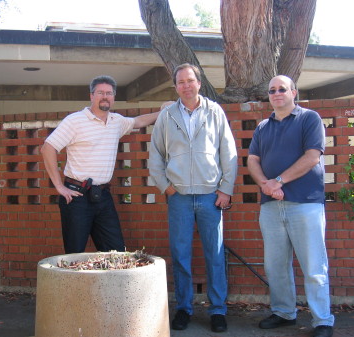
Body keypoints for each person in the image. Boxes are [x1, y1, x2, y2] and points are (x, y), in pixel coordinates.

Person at [149, 63, 237, 333]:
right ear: (175, 86)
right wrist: (167, 187)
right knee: (181, 255)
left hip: (211, 196)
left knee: (215, 255)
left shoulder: (215, 112)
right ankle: (184, 309)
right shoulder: (167, 116)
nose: (186, 86)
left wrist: (225, 190)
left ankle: (218, 310)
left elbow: (229, 153)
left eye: (190, 80)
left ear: (199, 83)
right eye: (180, 82)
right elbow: (155, 156)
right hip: (180, 199)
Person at [247, 75, 334, 337]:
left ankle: (322, 321)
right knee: (275, 265)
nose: (276, 93)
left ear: (293, 92)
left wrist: (279, 181)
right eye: (272, 90)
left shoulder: (310, 118)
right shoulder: (263, 126)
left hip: (305, 204)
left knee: (314, 266)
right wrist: (266, 184)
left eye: (282, 89)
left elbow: (312, 157)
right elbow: (253, 160)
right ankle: (284, 313)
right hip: (271, 205)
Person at [41, 75, 160, 254]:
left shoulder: (116, 122)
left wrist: (164, 112)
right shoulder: (75, 121)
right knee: (75, 254)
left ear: (113, 97)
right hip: (76, 196)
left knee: (115, 252)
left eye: (109, 93)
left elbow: (139, 121)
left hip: (103, 196)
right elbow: (47, 148)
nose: (105, 96)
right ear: (91, 96)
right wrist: (59, 186)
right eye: (100, 93)